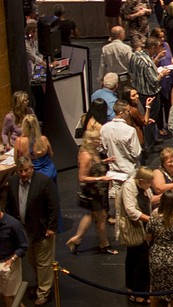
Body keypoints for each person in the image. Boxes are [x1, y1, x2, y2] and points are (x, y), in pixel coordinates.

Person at [6, 157, 59, 306]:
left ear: (32, 168)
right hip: (24, 231)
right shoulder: (13, 182)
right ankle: (39, 283)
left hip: (42, 230)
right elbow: (10, 206)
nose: (23, 173)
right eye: (21, 170)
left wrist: (51, 227)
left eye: (26, 170)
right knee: (32, 261)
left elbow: (53, 205)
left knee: (43, 263)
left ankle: (44, 292)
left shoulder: (44, 181)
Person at [67, 131, 112, 255]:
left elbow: (95, 166)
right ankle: (104, 244)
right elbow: (82, 177)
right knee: (101, 217)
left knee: (92, 216)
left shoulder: (94, 152)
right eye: (97, 139)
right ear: (90, 140)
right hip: (92, 192)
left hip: (98, 191)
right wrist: (100, 179)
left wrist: (105, 161)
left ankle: (77, 239)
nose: (99, 141)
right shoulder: (86, 155)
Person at [119, 167, 158, 304]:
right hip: (134, 228)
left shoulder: (143, 187)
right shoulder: (129, 187)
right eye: (149, 182)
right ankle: (140, 293)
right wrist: (151, 220)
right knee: (142, 259)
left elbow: (150, 199)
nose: (151, 184)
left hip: (142, 226)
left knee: (132, 257)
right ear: (141, 181)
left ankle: (131, 289)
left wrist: (165, 195)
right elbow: (131, 211)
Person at [0, 203, 28, 307]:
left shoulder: (13, 224)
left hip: (10, 264)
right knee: (4, 296)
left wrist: (12, 259)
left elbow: (24, 246)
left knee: (9, 297)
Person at [14, 114, 56, 182]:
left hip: (31, 175)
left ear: (23, 126)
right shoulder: (44, 139)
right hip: (49, 172)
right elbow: (51, 155)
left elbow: (16, 161)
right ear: (37, 126)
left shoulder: (19, 141)